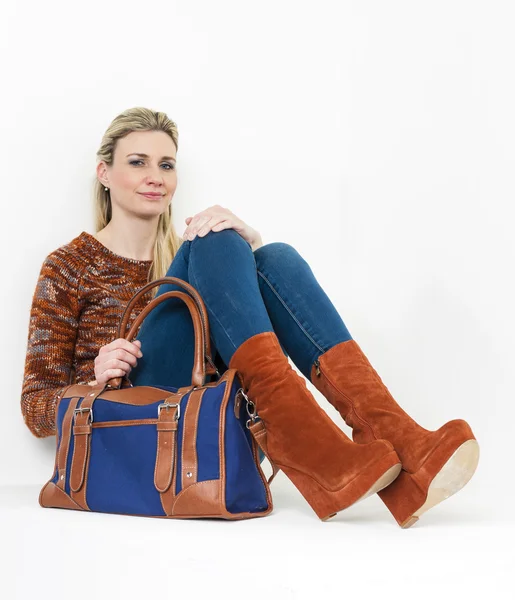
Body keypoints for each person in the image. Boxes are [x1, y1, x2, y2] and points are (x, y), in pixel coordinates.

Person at [21, 106, 479, 527]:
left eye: (166, 164)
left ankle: (400, 444)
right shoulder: (69, 266)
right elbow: (36, 410)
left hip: (205, 422)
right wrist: (96, 374)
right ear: (104, 173)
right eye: (137, 162)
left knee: (274, 255)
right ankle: (311, 446)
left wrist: (249, 251)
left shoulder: (190, 258)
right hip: (138, 427)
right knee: (214, 238)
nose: (155, 176)